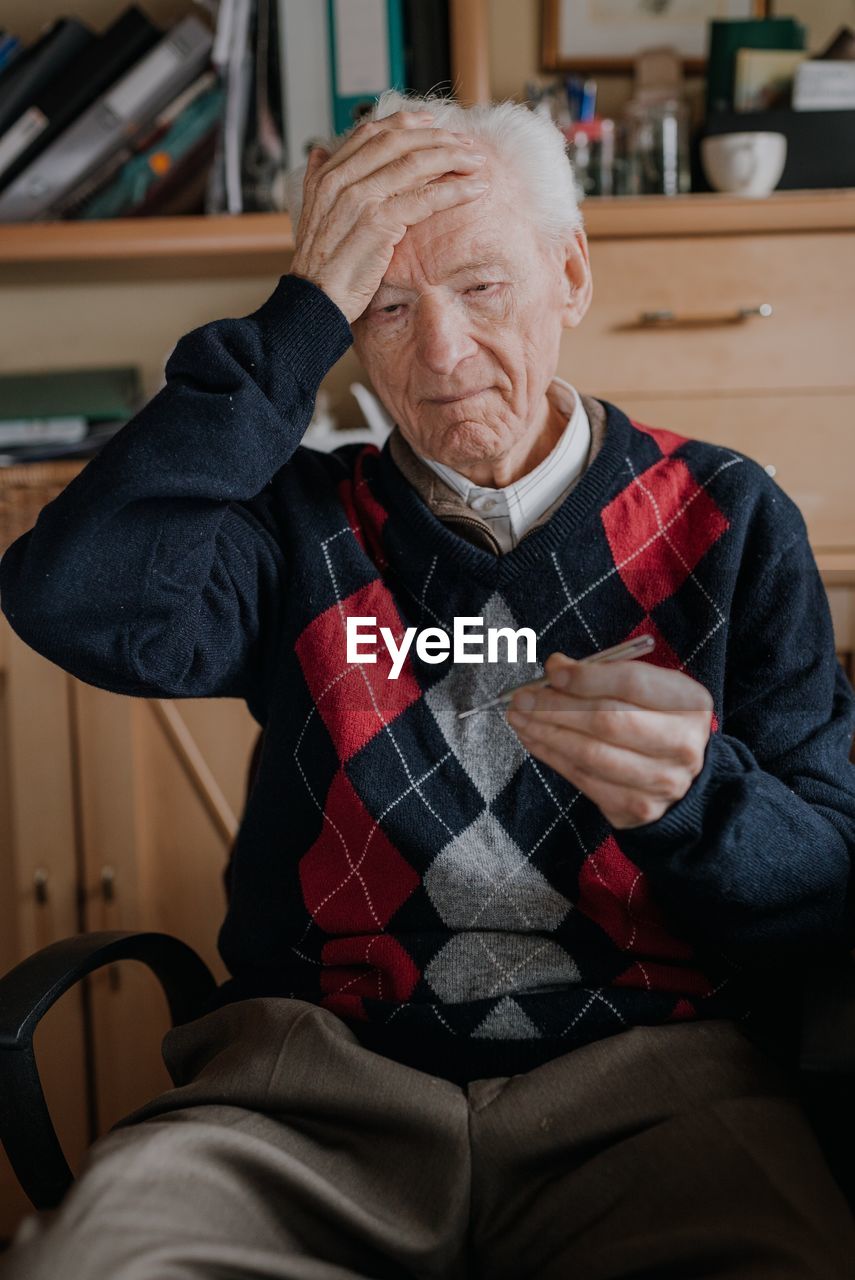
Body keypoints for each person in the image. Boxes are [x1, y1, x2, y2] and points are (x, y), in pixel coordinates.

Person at [1, 89, 854, 1278]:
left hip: (649, 1085)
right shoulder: (295, 526)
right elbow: (66, 594)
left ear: (572, 274)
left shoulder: (728, 517)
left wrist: (698, 798)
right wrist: (296, 320)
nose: (442, 357)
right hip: (309, 1093)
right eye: (386, 307)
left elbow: (829, 894)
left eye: (484, 289)